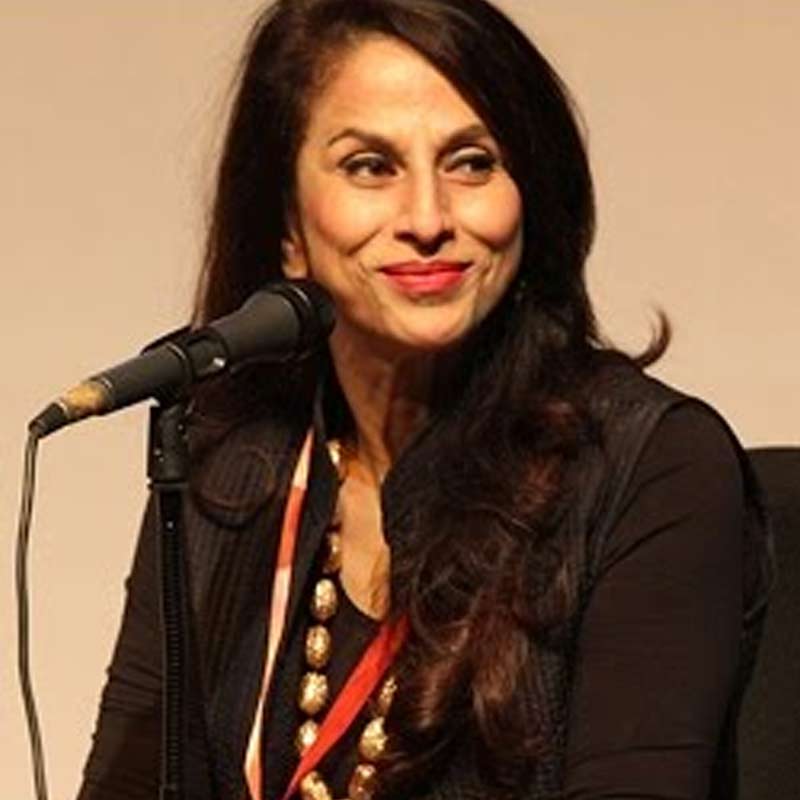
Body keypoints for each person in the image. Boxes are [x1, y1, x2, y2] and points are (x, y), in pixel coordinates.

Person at [77, 1, 773, 798]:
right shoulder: (226, 452)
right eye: (371, 166)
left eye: (471, 163)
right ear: (289, 226)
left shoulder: (653, 468)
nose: (428, 218)